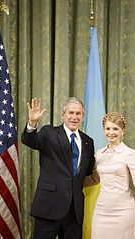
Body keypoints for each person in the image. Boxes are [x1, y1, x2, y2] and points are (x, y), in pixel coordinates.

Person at [21, 97, 95, 239]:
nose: (74, 117)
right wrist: (32, 123)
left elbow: (88, 170)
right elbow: (29, 140)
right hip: (49, 206)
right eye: (71, 113)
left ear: (83, 116)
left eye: (78, 114)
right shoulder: (49, 133)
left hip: (74, 211)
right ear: (63, 115)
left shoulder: (88, 141)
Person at [84, 112, 135, 239]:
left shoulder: (129, 153)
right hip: (101, 209)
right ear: (104, 130)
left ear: (123, 131)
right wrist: (72, 182)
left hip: (123, 210)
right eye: (108, 128)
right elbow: (94, 179)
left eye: (115, 129)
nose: (111, 132)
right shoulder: (99, 154)